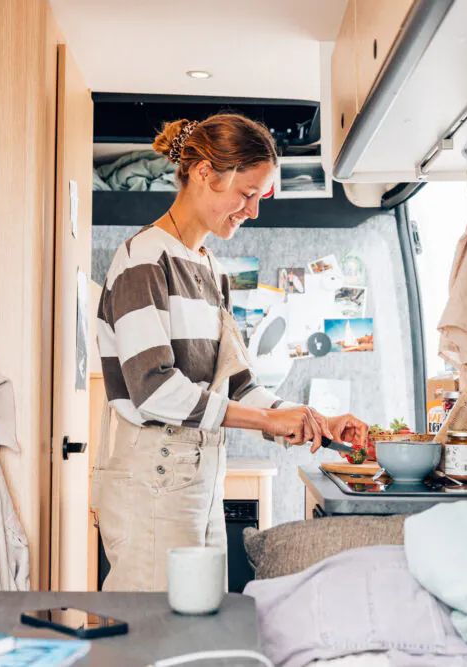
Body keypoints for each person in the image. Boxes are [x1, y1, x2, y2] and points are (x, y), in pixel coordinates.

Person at [94, 113, 369, 591]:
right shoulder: (143, 260)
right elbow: (153, 390)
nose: (253, 211)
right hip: (154, 479)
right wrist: (265, 422)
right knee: (155, 637)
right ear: (205, 172)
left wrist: (313, 420)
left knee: (196, 629)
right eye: (247, 194)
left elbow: (240, 384)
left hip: (198, 479)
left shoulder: (210, 270)